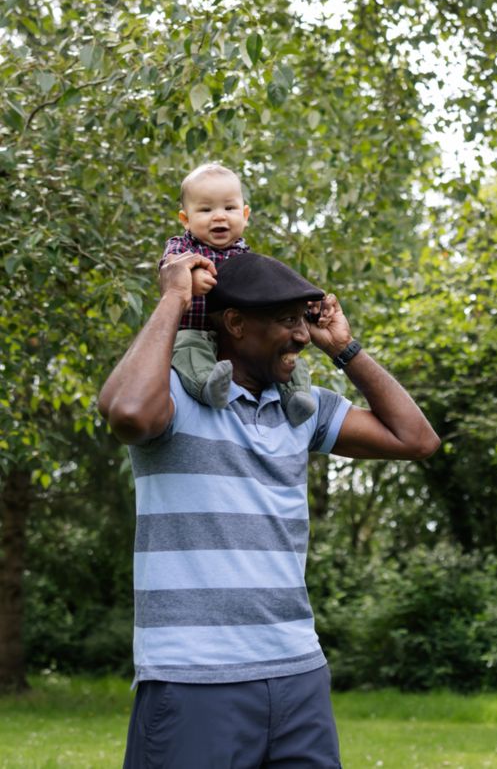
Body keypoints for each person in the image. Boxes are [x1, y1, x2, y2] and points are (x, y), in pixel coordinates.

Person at [98, 250, 440, 769]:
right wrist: (174, 297)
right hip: (195, 677)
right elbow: (126, 412)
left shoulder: (302, 409)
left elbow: (416, 439)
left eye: (303, 319)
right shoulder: (172, 399)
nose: (302, 335)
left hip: (297, 672)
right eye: (285, 321)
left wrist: (345, 349)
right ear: (234, 323)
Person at [161, 161, 316, 426]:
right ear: (185, 220)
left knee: (284, 351)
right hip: (194, 328)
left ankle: (297, 396)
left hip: (236, 338)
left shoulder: (246, 256)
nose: (219, 216)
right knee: (188, 351)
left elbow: (270, 292)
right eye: (206, 209)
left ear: (245, 215)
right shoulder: (183, 246)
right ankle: (208, 387)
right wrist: (190, 277)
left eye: (229, 208)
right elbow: (169, 270)